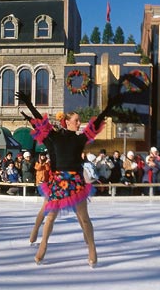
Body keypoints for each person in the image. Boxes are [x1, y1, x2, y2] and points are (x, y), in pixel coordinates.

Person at [18, 90, 121, 267]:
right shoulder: (54, 136)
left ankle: (92, 248)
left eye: (80, 121)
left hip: (75, 182)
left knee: (84, 218)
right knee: (50, 216)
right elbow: (40, 122)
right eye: (76, 121)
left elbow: (95, 123)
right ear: (66, 122)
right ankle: (42, 245)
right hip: (57, 181)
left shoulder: (80, 139)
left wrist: (109, 107)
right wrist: (28, 104)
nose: (79, 123)